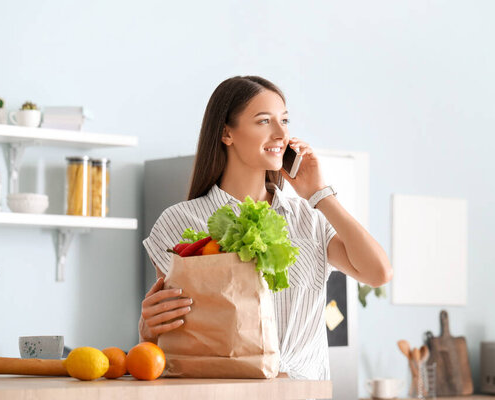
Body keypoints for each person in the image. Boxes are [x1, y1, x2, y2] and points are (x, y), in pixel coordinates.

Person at [140, 75, 392, 380]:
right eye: (263, 121)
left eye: (284, 120)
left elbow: (378, 273)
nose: (281, 133)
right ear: (226, 134)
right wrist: (147, 330)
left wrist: (319, 194)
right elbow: (175, 332)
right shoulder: (179, 222)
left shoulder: (308, 217)